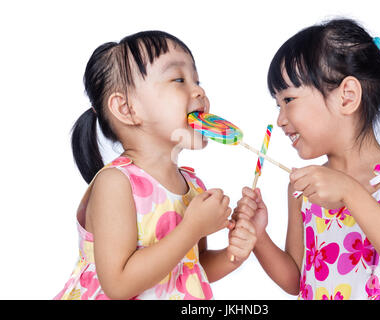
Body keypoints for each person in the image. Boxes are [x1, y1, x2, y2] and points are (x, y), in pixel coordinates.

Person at [234, 18, 380, 300]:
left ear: (347, 97)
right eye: (277, 105)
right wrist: (258, 237)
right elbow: (296, 280)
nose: (279, 119)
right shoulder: (301, 188)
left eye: (289, 100)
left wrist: (350, 191)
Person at [55, 30, 256, 300]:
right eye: (178, 79)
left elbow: (191, 267)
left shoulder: (193, 187)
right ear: (126, 109)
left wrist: (234, 256)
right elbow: (119, 284)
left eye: (197, 80)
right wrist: (192, 228)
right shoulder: (116, 183)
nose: (199, 90)